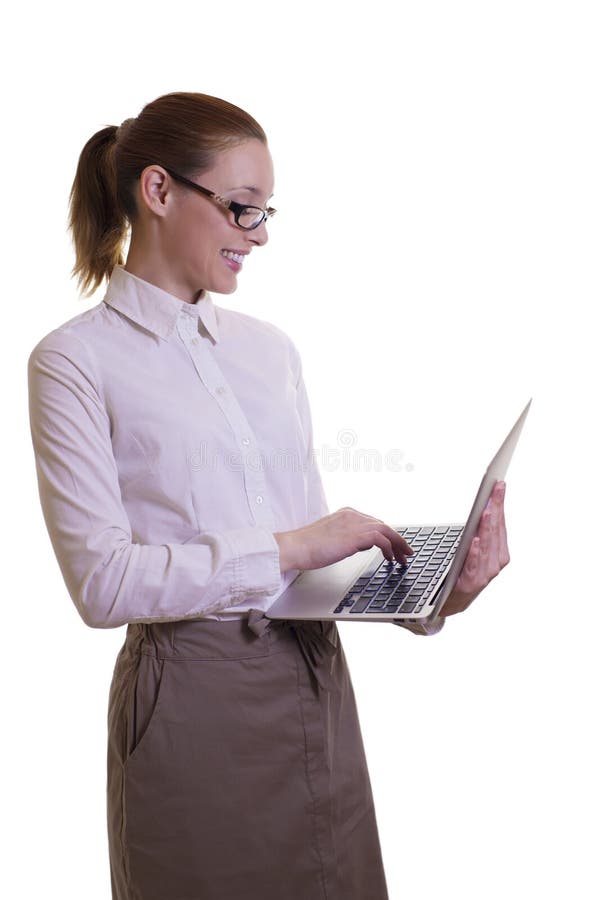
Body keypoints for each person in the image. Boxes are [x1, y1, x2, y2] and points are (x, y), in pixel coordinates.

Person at [27, 91, 510, 900]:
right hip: (193, 707)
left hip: (318, 686)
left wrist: (437, 595)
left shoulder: (269, 352)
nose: (257, 236)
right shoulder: (73, 363)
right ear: (158, 191)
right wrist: (291, 548)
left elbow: (310, 568)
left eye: (264, 213)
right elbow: (103, 584)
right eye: (241, 210)